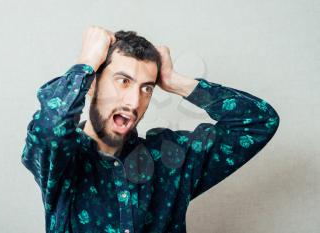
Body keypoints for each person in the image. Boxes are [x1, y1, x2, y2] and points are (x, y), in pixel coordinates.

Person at [21, 25, 280, 233]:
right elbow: (49, 127)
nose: (134, 102)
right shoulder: (63, 160)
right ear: (91, 85)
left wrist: (175, 82)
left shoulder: (172, 159)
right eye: (123, 81)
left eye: (146, 88)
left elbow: (259, 122)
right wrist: (85, 64)